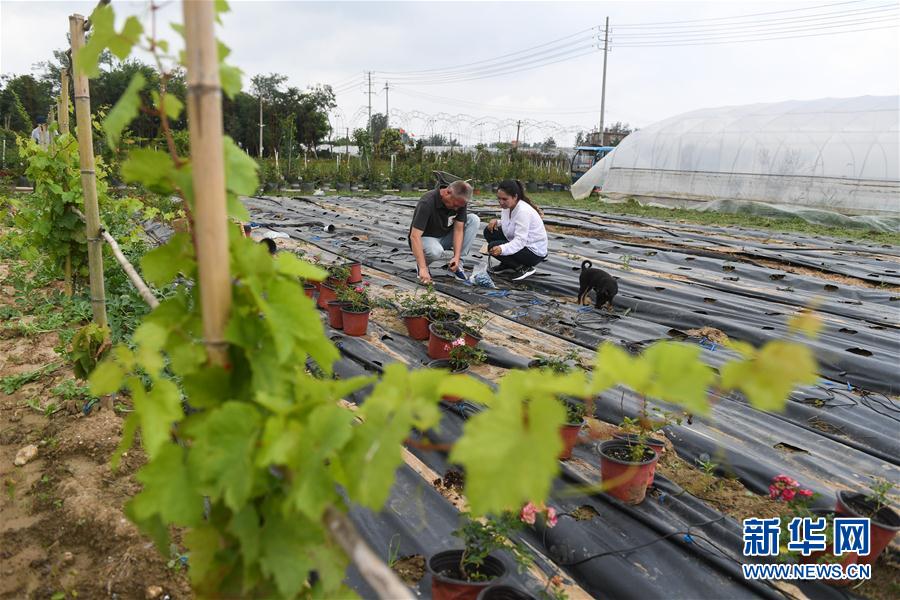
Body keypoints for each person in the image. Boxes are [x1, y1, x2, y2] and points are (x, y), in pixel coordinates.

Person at [409, 179, 480, 285]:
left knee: (473, 219)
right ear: (447, 192)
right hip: (426, 239)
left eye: (459, 206)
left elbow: (459, 229)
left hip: (443, 236)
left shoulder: (460, 202)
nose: (456, 208)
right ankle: (422, 266)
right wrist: (423, 267)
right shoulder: (427, 202)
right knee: (436, 251)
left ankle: (458, 264)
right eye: (454, 205)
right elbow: (414, 236)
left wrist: (456, 256)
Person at [483, 179, 548, 281]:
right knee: (489, 231)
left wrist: (502, 249)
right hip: (522, 244)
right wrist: (498, 222)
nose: (501, 202)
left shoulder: (523, 211)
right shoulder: (508, 207)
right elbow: (511, 222)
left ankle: (523, 268)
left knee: (493, 246)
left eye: (504, 199)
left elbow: (520, 241)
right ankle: (508, 264)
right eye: (499, 199)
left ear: (515, 197)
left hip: (533, 251)